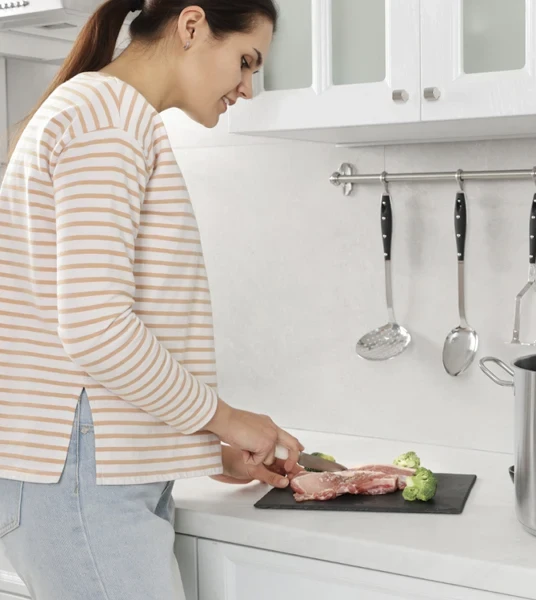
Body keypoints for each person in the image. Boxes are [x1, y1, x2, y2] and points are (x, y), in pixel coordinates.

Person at [0, 1, 305, 597]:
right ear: (191, 27)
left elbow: (87, 362)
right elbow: (96, 329)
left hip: (79, 485)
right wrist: (226, 417)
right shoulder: (108, 117)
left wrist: (209, 448)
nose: (247, 87)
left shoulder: (104, 112)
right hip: (81, 491)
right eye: (245, 61)